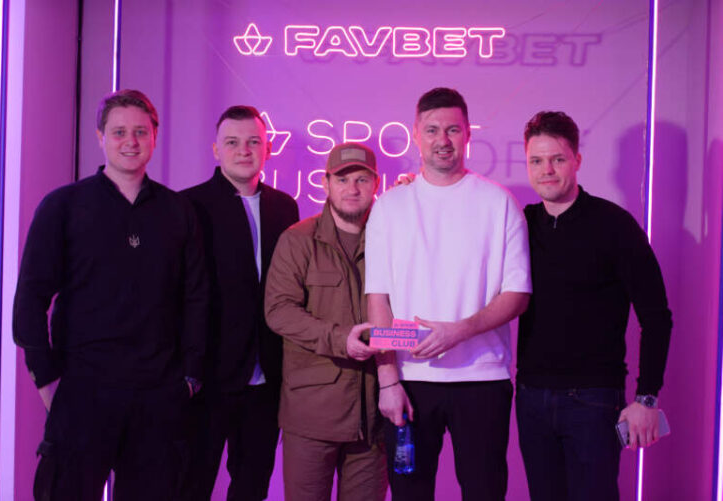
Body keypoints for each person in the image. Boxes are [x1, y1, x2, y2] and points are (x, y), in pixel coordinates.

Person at [13, 89, 207, 500]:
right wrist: (47, 380)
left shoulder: (177, 211)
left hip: (158, 395)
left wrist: (190, 378)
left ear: (155, 137)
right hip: (83, 391)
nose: (130, 141)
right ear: (100, 137)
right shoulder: (63, 206)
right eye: (119, 132)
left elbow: (197, 299)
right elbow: (29, 298)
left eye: (140, 132)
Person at [365, 87, 532, 500]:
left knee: (484, 491)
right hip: (409, 380)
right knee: (410, 493)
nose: (443, 140)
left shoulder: (498, 202)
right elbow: (378, 300)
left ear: (468, 133)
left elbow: (517, 294)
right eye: (432, 130)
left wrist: (460, 331)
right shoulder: (389, 206)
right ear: (415, 134)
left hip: (483, 378)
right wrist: (387, 380)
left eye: (453, 130)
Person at [516, 110, 673, 501]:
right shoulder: (521, 224)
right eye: (537, 160)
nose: (546, 170)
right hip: (531, 396)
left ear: (577, 160)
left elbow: (657, 317)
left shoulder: (614, 225)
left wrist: (647, 397)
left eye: (557, 159)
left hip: (593, 399)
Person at [182, 105, 299, 500]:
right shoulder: (189, 206)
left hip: (267, 379)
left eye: (253, 142)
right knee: (190, 486)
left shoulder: (285, 207)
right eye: (232, 142)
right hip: (206, 378)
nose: (244, 150)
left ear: (267, 148)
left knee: (252, 487)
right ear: (216, 149)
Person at [265, 142, 386, 501]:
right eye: (342, 179)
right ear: (325, 183)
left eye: (362, 179)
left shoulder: (390, 239)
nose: (352, 188)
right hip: (312, 416)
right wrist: (339, 338)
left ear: (376, 184)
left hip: (373, 421)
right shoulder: (298, 240)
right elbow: (279, 310)